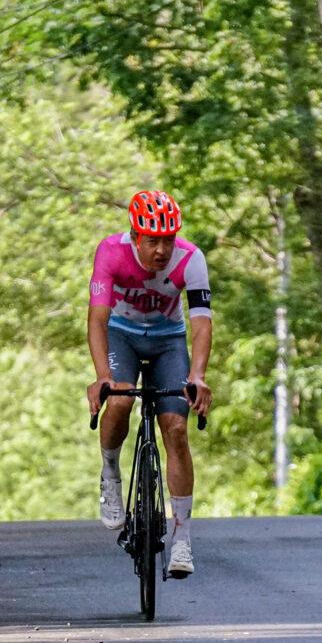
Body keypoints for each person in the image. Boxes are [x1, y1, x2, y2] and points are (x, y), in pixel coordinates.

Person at [86, 190, 212, 579]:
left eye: (168, 240)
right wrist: (102, 376)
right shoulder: (111, 252)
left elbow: (201, 323)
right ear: (135, 236)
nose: (161, 250)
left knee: (175, 428)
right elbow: (97, 319)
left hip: (168, 342)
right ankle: (110, 472)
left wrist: (197, 375)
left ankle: (182, 538)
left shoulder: (191, 258)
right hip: (121, 335)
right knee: (120, 400)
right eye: (153, 241)